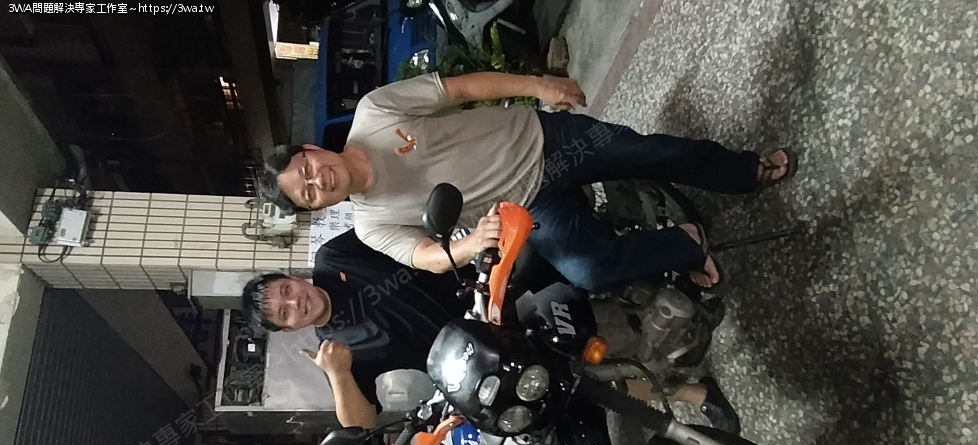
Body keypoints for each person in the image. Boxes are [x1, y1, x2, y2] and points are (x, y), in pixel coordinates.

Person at [258, 71, 796, 293]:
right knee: (588, 271)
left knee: (652, 152)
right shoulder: (371, 224)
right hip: (527, 208)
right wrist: (471, 244)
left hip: (544, 139)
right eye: (309, 193)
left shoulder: (374, 111)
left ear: (311, 150)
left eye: (307, 170)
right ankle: (684, 242)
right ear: (316, 207)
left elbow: (460, 89)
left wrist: (539, 86)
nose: (317, 180)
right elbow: (426, 255)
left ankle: (743, 171)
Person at [241, 230, 468, 429]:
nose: (295, 302)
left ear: (293, 277)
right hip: (467, 359)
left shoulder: (333, 256)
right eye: (285, 313)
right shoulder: (336, 353)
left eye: (287, 290)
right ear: (289, 329)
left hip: (476, 286)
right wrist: (338, 374)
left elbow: (382, 226)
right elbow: (361, 423)